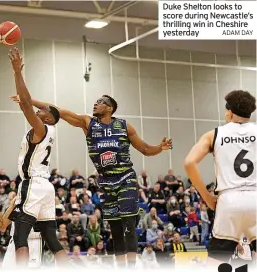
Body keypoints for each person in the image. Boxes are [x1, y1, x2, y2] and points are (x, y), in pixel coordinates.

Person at [11, 92, 172, 268]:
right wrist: (29, 100)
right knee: (115, 229)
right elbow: (59, 112)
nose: (95, 104)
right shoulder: (88, 123)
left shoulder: (124, 126)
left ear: (110, 108)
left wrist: (160, 148)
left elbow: (146, 149)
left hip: (125, 177)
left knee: (128, 225)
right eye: (95, 102)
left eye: (100, 102)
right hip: (105, 181)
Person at [6, 48, 67, 268]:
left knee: (20, 237)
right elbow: (29, 102)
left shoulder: (41, 127)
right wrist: (27, 99)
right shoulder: (51, 131)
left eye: (42, 110)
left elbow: (25, 103)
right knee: (52, 239)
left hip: (32, 184)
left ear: (48, 117)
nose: (38, 110)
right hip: (47, 188)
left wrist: (16, 72)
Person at [184, 90, 257, 266]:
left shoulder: (214, 134)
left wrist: (207, 197)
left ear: (230, 112)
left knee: (216, 262)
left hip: (229, 200)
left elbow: (189, 163)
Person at [0, 186, 43, 268]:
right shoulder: (16, 204)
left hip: (33, 242)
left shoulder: (41, 204)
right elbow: (2, 227)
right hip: (14, 243)